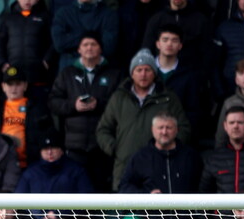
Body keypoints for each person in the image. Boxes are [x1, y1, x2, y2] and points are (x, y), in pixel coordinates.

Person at [96, 48, 190, 192]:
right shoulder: (119, 97)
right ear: (132, 73)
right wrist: (115, 149)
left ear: (154, 73)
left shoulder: (168, 98)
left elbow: (183, 128)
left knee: (158, 211)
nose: (143, 74)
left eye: (147, 70)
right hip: (125, 166)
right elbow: (103, 129)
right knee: (125, 212)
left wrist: (170, 148)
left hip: (160, 167)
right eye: (139, 70)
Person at [46, 32, 121, 192]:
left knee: (101, 191)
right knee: (74, 192)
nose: (89, 48)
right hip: (74, 146)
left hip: (102, 146)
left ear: (100, 48)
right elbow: (53, 102)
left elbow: (120, 104)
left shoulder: (113, 73)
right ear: (79, 49)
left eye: (93, 44)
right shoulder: (67, 73)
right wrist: (74, 105)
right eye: (85, 44)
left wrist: (98, 105)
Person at [118, 112, 201, 195]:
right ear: (152, 129)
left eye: (168, 128)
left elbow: (202, 187)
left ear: (177, 130)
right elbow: (124, 187)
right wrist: (146, 195)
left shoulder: (190, 156)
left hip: (185, 207)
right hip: (151, 207)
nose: (164, 132)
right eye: (160, 128)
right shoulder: (140, 158)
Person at [51, 0, 118, 70]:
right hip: (69, 71)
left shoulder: (108, 14)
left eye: (93, 44)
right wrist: (94, 36)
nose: (88, 47)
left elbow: (109, 47)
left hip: (100, 70)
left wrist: (72, 39)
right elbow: (59, 44)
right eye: (85, 45)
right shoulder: (63, 13)